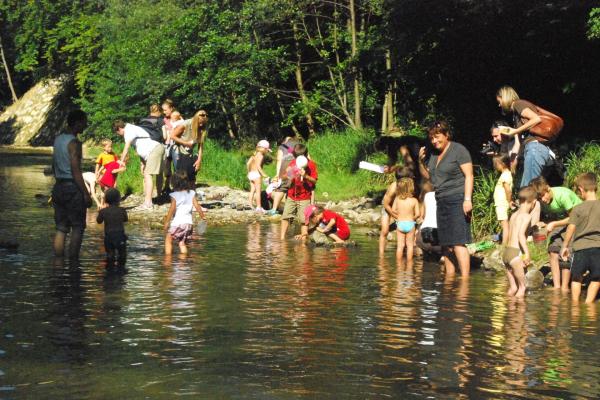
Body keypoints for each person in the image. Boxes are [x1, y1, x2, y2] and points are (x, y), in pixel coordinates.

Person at [418, 120, 473, 277]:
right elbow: (430, 178)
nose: (434, 141)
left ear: (446, 134)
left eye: (437, 137)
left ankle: (464, 280)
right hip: (440, 201)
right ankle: (449, 277)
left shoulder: (458, 150)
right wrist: (421, 162)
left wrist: (467, 200)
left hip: (457, 198)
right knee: (445, 243)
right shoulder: (434, 155)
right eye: (432, 138)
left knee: (457, 242)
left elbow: (469, 175)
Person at [51, 109, 92, 261]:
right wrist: (86, 193)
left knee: (61, 228)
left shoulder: (58, 140)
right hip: (72, 188)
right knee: (78, 227)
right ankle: (73, 265)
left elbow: (54, 165)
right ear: (77, 123)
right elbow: (76, 170)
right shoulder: (74, 143)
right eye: (84, 122)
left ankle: (58, 265)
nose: (85, 125)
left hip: (59, 186)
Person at [531, 176, 582, 291]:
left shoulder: (562, 196)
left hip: (578, 222)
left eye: (543, 196)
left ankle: (564, 287)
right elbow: (557, 218)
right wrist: (545, 224)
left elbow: (574, 218)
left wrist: (553, 224)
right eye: (539, 198)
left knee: (566, 252)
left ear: (548, 188)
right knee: (552, 250)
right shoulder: (544, 200)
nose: (542, 200)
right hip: (564, 223)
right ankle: (557, 286)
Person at [496, 86, 550, 187]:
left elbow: (536, 119)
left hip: (535, 148)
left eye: (500, 101)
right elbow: (518, 143)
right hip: (530, 149)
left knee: (528, 189)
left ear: (505, 97)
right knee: (529, 189)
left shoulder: (518, 104)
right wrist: (513, 160)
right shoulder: (515, 115)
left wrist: (516, 130)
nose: (499, 105)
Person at [560, 173, 600, 303]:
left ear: (581, 189)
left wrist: (565, 246)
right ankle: (589, 303)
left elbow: (570, 228)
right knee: (596, 277)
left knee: (576, 277)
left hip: (580, 249)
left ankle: (575, 305)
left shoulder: (577, 208)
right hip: (597, 248)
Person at [113, 119, 165, 210]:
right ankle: (159, 197)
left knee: (148, 175)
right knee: (157, 174)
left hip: (154, 150)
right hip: (156, 148)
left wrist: (121, 161)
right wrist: (142, 163)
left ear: (119, 129)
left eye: (117, 132)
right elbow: (140, 146)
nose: (118, 134)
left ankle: (148, 203)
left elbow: (126, 148)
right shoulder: (132, 128)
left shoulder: (128, 131)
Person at [503, 186, 536, 298]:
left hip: (507, 253)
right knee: (522, 288)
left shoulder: (513, 215)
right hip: (516, 254)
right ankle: (519, 315)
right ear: (533, 202)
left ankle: (510, 312)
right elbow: (521, 235)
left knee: (513, 288)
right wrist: (527, 253)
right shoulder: (526, 217)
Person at [280, 143, 318, 241]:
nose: (296, 159)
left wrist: (305, 176)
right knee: (286, 216)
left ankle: (303, 240)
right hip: (292, 195)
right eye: (295, 157)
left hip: (305, 197)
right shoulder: (293, 162)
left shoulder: (311, 165)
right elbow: (283, 177)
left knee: (303, 220)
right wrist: (289, 173)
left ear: (305, 155)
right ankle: (282, 238)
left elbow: (314, 181)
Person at [164, 171, 206, 255]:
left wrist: (167, 222)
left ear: (174, 183)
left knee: (168, 239)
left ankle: (167, 260)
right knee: (182, 243)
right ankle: (183, 262)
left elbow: (172, 209)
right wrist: (203, 216)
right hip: (189, 224)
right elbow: (197, 207)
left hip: (178, 223)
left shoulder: (174, 195)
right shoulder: (192, 193)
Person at [379, 167, 414, 255]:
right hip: (388, 207)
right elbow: (386, 204)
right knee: (385, 230)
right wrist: (395, 216)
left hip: (399, 206)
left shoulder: (409, 186)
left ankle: (405, 251)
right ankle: (381, 254)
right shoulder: (393, 188)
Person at [170, 109, 208, 186]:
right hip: (178, 149)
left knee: (191, 170)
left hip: (188, 151)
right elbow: (172, 136)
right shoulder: (185, 124)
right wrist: (185, 143)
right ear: (195, 119)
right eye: (199, 123)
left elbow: (201, 145)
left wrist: (199, 159)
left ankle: (190, 189)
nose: (201, 125)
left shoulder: (202, 128)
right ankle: (177, 190)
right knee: (180, 172)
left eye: (202, 123)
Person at [96, 188, 128, 268]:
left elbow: (99, 221)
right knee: (122, 254)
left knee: (110, 254)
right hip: (120, 236)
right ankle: (121, 270)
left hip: (109, 237)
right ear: (119, 199)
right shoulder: (122, 210)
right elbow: (125, 219)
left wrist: (100, 212)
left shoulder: (103, 211)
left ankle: (110, 271)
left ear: (106, 200)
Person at [268, 136, 300, 215]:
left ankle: (274, 209)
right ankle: (297, 210)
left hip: (286, 170)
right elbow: (308, 158)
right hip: (297, 168)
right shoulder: (299, 145)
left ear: (285, 141)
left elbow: (279, 160)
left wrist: (277, 174)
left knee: (282, 188)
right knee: (295, 187)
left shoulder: (282, 147)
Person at [393, 177, 420, 261]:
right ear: (411, 188)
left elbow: (393, 210)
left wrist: (399, 216)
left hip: (400, 223)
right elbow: (418, 214)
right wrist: (413, 218)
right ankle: (409, 265)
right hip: (410, 224)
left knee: (400, 246)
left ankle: (398, 265)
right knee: (410, 246)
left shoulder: (397, 199)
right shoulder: (414, 200)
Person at [416, 180, 441, 255]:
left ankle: (422, 250)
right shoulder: (444, 196)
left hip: (424, 237)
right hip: (439, 241)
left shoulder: (427, 196)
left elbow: (422, 216)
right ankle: (442, 256)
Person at [493, 154, 513, 246]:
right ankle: (506, 242)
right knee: (505, 224)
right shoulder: (507, 174)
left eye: (497, 164)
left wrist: (509, 201)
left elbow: (508, 190)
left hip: (502, 203)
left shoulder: (505, 175)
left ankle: (505, 244)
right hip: (501, 203)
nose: (496, 166)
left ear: (503, 164)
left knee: (504, 225)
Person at [246, 140, 271, 213]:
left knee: (252, 190)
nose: (267, 152)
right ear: (264, 149)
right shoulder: (261, 155)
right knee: (258, 192)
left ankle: (250, 205)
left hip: (251, 174)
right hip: (257, 175)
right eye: (267, 150)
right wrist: (264, 175)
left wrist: (248, 172)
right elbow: (258, 166)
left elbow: (248, 164)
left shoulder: (254, 154)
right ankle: (259, 207)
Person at [161, 99, 177, 193]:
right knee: (166, 166)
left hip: (175, 145)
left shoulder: (177, 117)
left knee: (176, 166)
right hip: (166, 145)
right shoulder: (164, 119)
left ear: (171, 108)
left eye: (165, 110)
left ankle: (176, 185)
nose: (164, 112)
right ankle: (167, 186)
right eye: (163, 110)